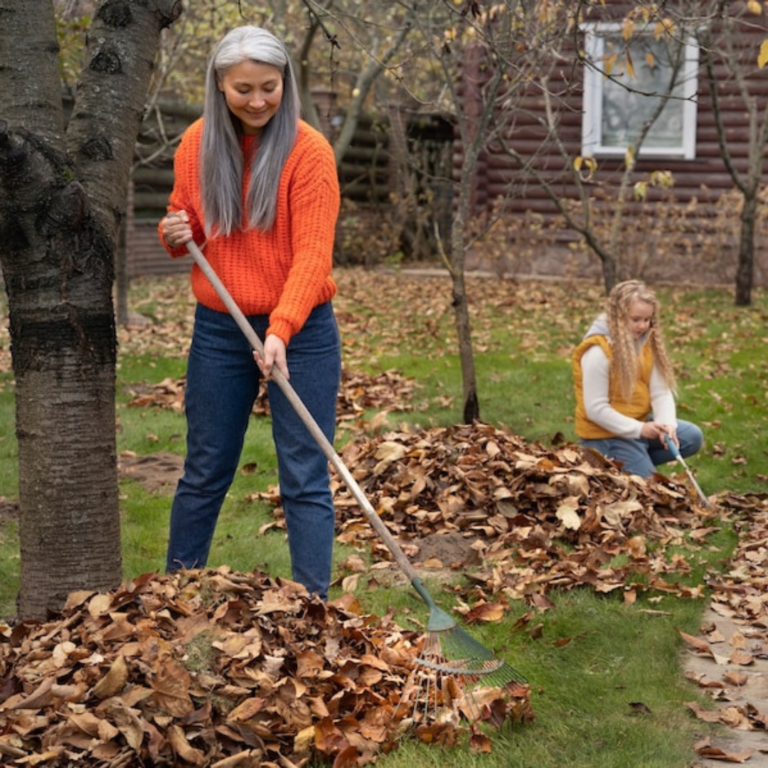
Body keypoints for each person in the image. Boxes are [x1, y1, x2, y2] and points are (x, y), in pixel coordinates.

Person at [158, 26, 341, 599]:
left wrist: (282, 328)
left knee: (305, 475)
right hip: (219, 328)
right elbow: (183, 221)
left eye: (269, 87)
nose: (258, 101)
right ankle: (172, 595)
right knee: (205, 468)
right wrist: (172, 232)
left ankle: (314, 608)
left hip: (302, 330)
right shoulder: (195, 144)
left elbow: (313, 255)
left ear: (286, 81)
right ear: (219, 85)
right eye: (243, 89)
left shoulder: (308, 152)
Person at [572, 279, 703, 478]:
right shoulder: (598, 351)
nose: (643, 326)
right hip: (605, 435)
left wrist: (666, 425)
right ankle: (611, 460)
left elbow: (660, 392)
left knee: (692, 437)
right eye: (636, 319)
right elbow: (595, 409)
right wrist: (640, 429)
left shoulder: (645, 343)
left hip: (638, 425)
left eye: (647, 319)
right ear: (617, 316)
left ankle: (635, 460)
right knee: (649, 491)